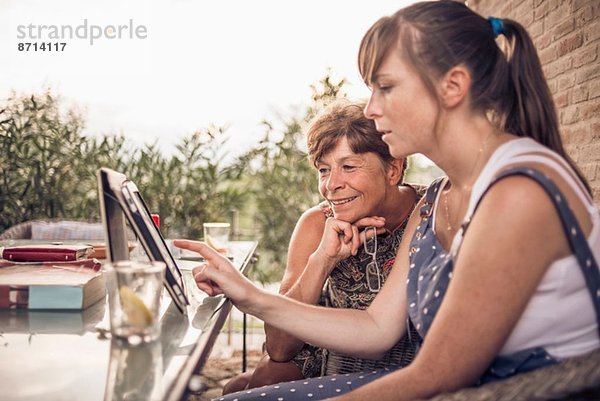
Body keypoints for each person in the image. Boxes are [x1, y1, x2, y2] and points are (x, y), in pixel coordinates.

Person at [175, 1, 600, 400]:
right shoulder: (437, 198)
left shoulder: (517, 192)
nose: (372, 109)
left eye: (386, 87)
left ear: (452, 86)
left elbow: (438, 373)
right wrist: (246, 292)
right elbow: (376, 327)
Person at [222, 99, 423, 394]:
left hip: (411, 367)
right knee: (253, 381)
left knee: (248, 385)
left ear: (393, 170)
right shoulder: (317, 223)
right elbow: (279, 348)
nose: (331, 185)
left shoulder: (429, 214)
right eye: (324, 170)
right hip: (334, 363)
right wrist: (322, 260)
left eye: (349, 167)